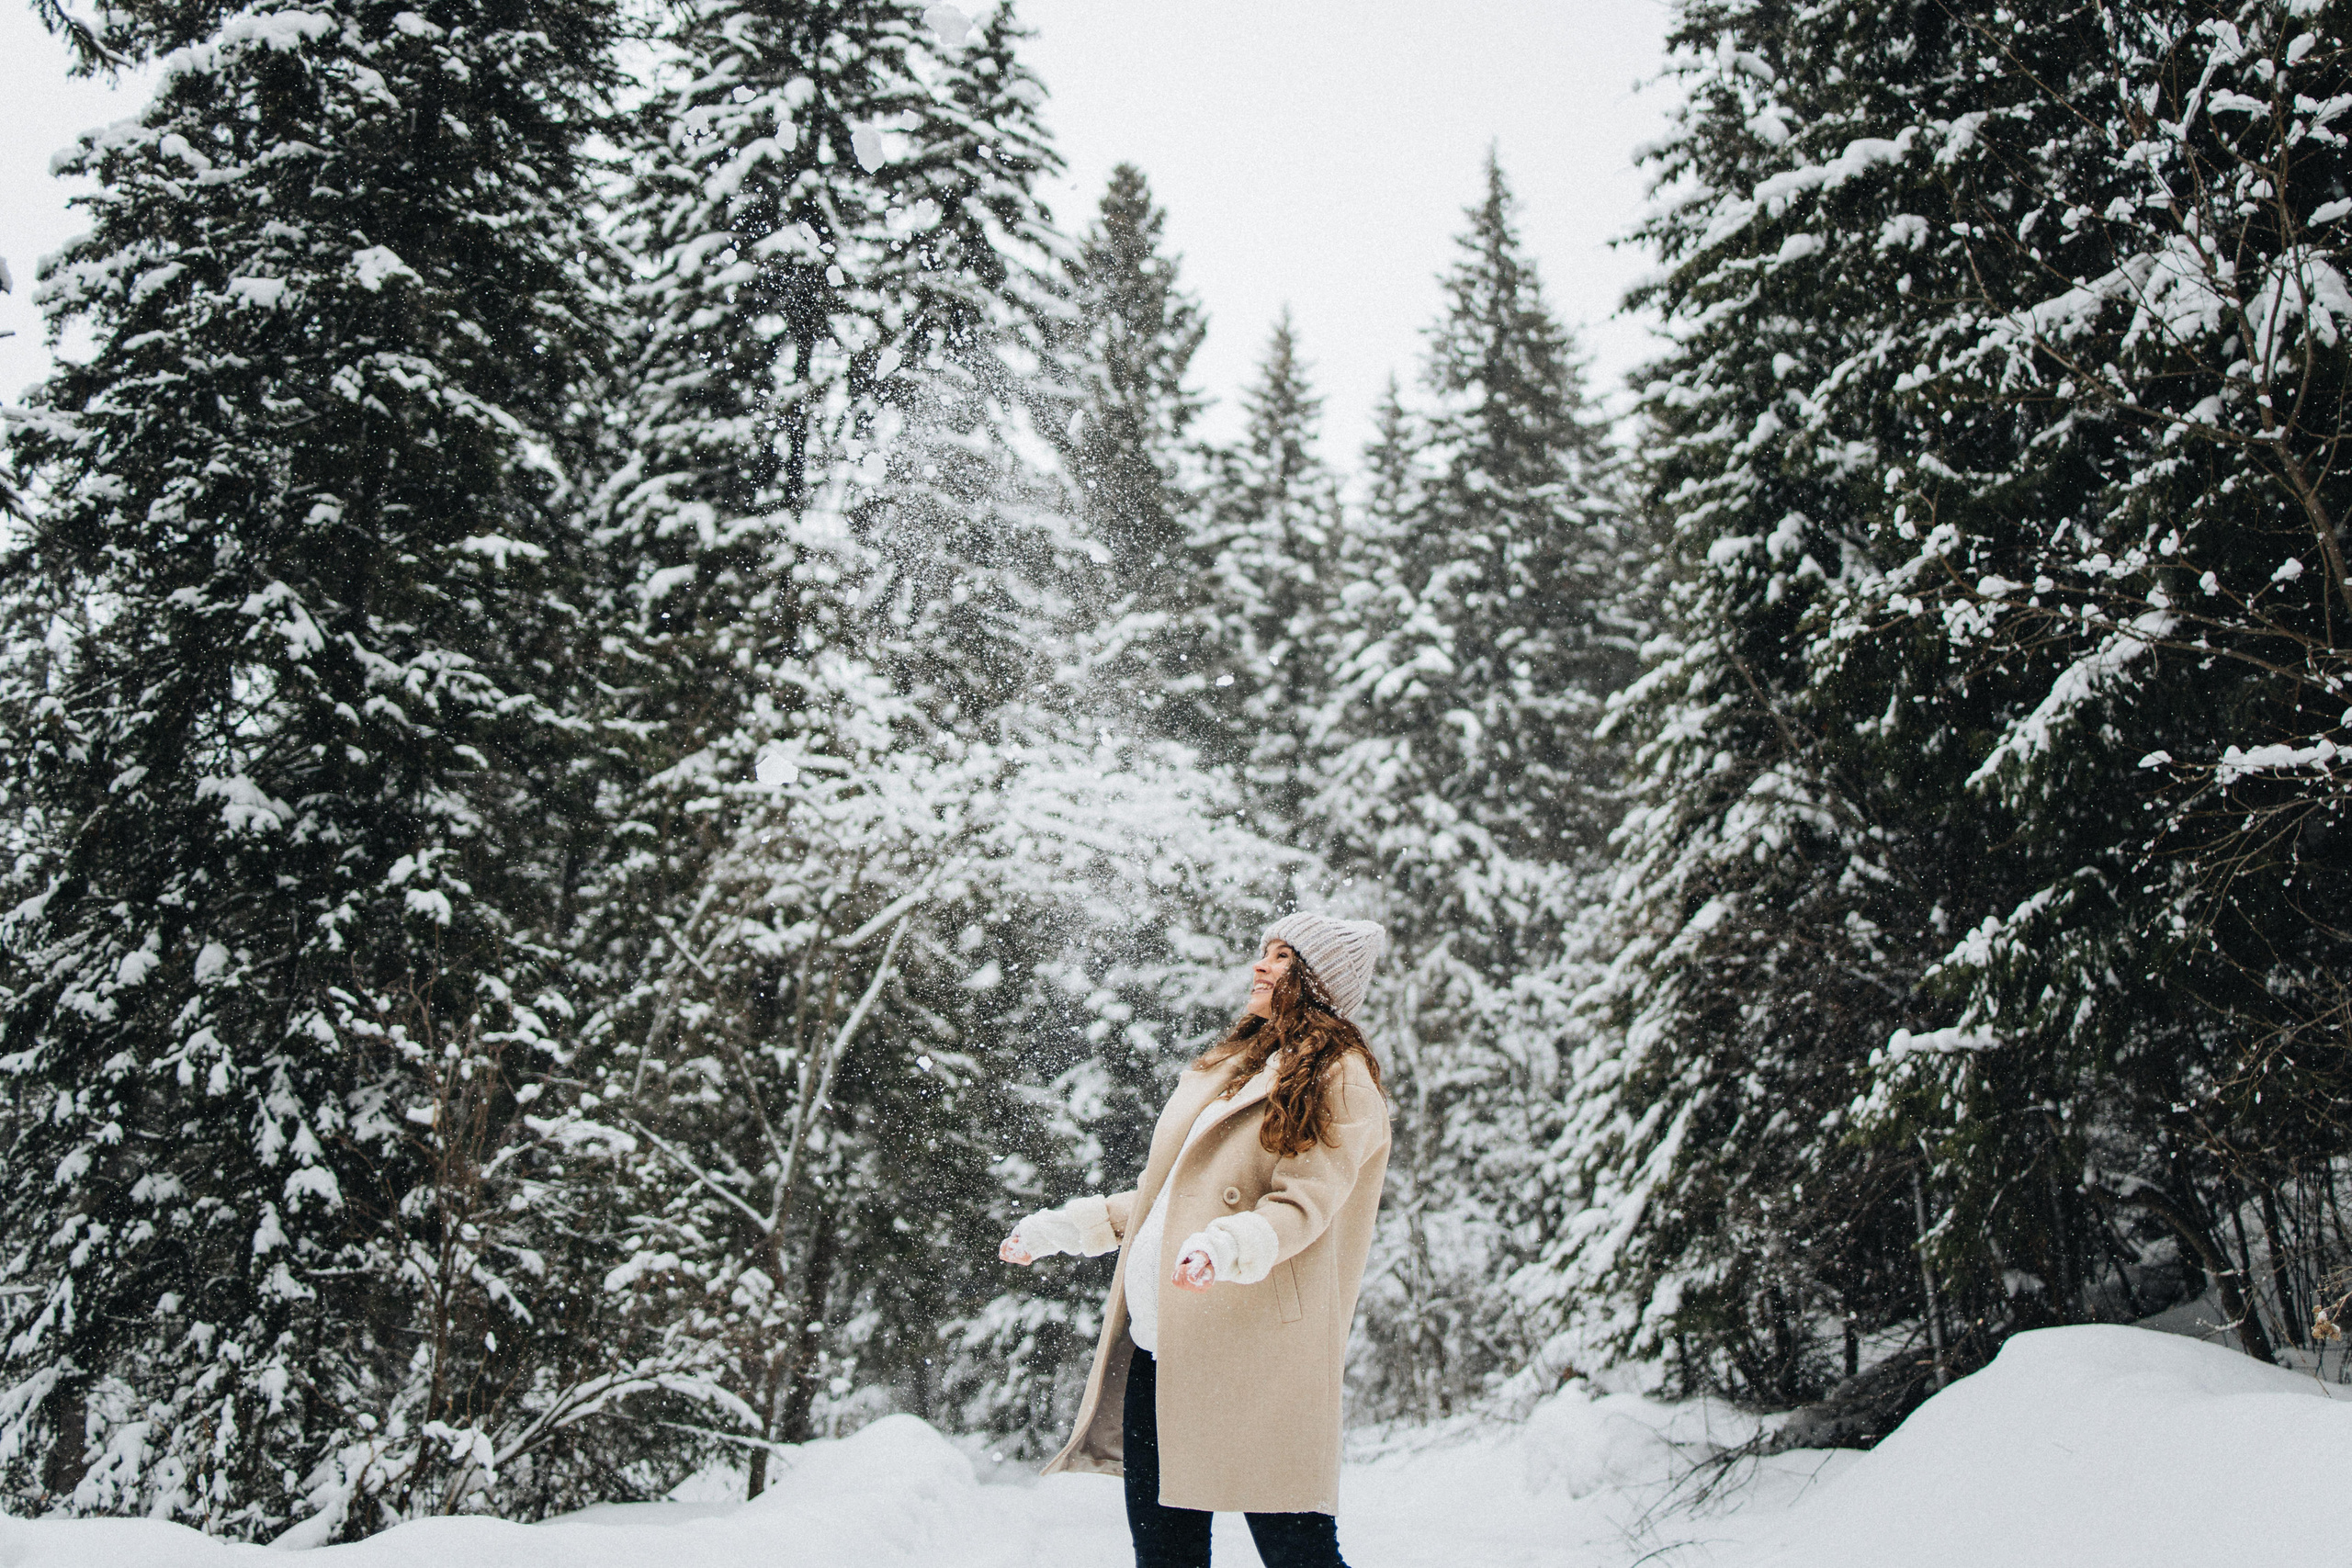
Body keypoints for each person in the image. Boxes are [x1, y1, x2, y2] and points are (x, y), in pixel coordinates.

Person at [1000, 912, 1391, 1568]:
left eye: (1280, 956)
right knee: (1166, 1556)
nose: (1260, 966)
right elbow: (1172, 1196)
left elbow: (1304, 1203)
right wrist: (1066, 1227)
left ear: (1316, 980)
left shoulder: (1340, 1075)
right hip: (1166, 1346)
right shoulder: (1240, 1063)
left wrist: (1227, 1245)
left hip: (1261, 1354)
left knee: (1299, 1554)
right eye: (1262, 951)